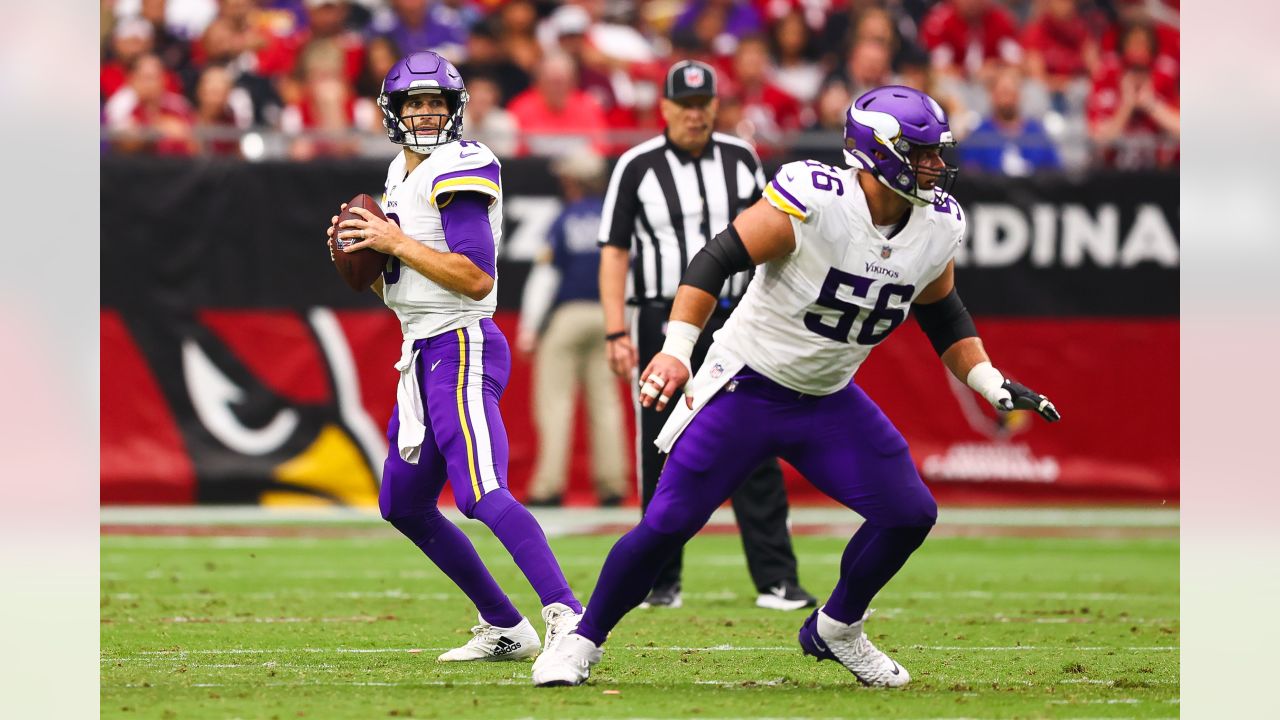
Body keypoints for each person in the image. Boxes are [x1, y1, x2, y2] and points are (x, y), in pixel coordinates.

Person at [533, 85, 1060, 688]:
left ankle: (838, 627)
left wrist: (988, 380)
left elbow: (943, 312)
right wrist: (678, 350)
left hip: (827, 397)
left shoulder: (938, 224)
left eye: (937, 154)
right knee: (668, 523)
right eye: (921, 154)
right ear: (879, 153)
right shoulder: (817, 200)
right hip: (745, 386)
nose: (936, 167)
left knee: (909, 513)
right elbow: (715, 259)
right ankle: (582, 640)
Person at [327, 50, 584, 664]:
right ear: (392, 111)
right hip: (421, 349)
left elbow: (473, 277)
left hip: (461, 340)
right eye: (413, 102)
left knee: (481, 489)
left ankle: (568, 616)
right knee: (404, 504)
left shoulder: (462, 164)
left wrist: (391, 239)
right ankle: (504, 623)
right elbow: (401, 272)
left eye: (435, 102)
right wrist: (365, 256)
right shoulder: (399, 171)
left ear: (455, 110)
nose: (424, 112)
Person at [596, 59, 815, 612]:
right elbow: (614, 250)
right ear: (664, 107)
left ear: (715, 105)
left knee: (756, 439)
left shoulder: (740, 157)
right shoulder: (636, 165)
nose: (694, 115)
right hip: (661, 316)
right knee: (660, 444)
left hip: (736, 316)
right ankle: (659, 581)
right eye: (684, 105)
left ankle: (777, 580)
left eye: (702, 105)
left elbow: (772, 232)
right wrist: (616, 328)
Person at [517, 148, 627, 508]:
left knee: (555, 405)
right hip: (609, 317)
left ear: (574, 182)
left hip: (568, 316)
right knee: (607, 404)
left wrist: (530, 328)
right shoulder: (617, 220)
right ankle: (613, 485)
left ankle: (549, 486)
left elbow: (545, 277)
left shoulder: (564, 218)